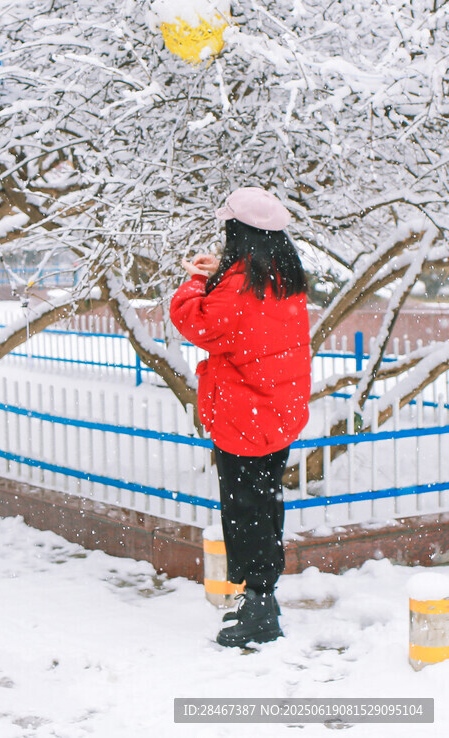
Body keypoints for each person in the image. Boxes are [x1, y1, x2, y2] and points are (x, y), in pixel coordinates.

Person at [170, 187, 311, 648]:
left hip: (244, 417)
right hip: (277, 411)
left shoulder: (238, 286)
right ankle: (261, 596)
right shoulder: (282, 278)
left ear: (240, 233)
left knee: (244, 509)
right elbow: (244, 316)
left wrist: (194, 282)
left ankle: (260, 607)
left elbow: (197, 322)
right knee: (265, 504)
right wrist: (220, 277)